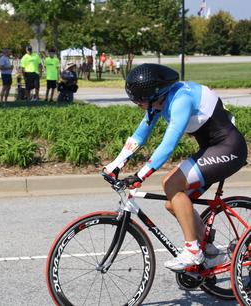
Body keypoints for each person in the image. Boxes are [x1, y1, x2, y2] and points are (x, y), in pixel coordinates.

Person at [103, 63, 248, 271]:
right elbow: (139, 135)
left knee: (171, 185)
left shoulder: (181, 100)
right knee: (175, 204)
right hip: (213, 148)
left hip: (228, 149)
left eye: (140, 100)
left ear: (154, 94)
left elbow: (168, 145)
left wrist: (140, 175)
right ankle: (210, 252)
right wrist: (115, 165)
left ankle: (193, 250)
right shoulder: (158, 102)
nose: (137, 104)